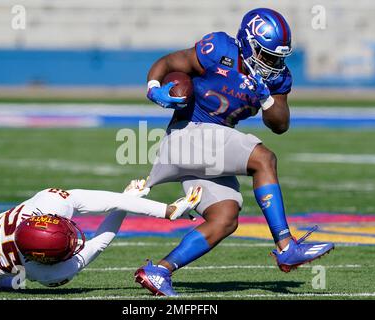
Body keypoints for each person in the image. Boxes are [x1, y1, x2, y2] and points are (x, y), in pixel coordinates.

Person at [135, 8, 334, 296]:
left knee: (225, 218)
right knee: (263, 159)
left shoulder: (276, 78)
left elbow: (280, 124)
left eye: (278, 57)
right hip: (187, 133)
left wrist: (266, 97)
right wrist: (154, 89)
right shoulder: (219, 49)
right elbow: (169, 62)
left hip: (209, 147)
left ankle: (159, 271)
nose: (273, 63)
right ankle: (286, 245)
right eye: (267, 55)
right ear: (248, 43)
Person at [0, 171, 202, 292]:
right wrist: (133, 203)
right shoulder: (47, 271)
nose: (73, 241)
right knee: (11, 284)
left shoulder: (44, 205)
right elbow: (99, 240)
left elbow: (101, 212)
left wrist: (163, 210)